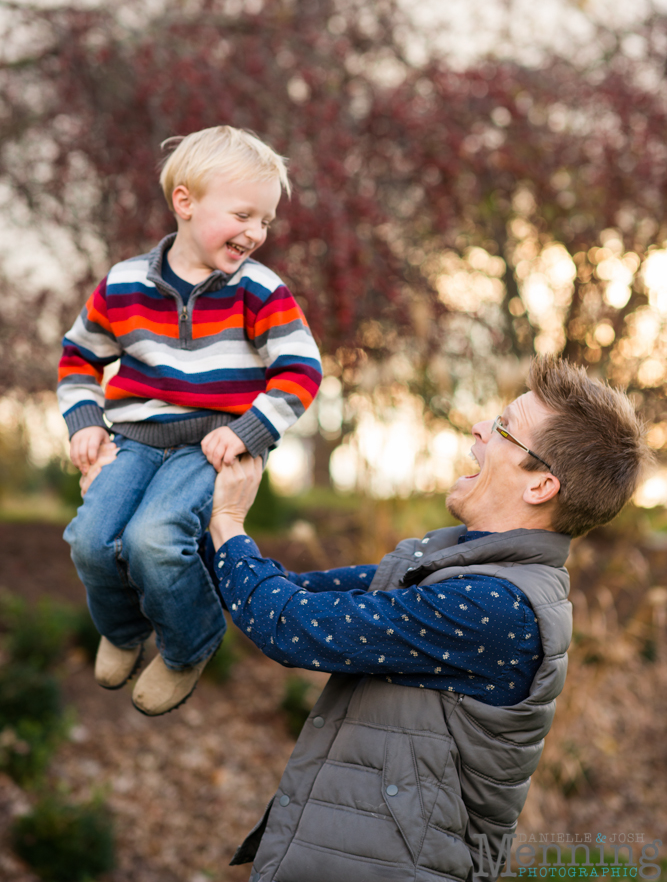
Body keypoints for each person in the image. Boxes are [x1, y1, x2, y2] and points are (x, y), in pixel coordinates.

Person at [204, 357, 648, 881]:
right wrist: (178, 518)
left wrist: (229, 521)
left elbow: (288, 624)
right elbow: (290, 591)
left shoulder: (495, 608)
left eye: (503, 428)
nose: (479, 428)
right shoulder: (445, 564)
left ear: (540, 487)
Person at [58, 126, 322, 716]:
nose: (255, 233)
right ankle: (125, 631)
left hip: (212, 447)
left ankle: (188, 644)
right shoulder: (123, 284)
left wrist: (249, 430)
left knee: (153, 539)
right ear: (185, 201)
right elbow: (78, 357)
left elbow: (301, 370)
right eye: (243, 214)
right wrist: (83, 421)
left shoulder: (260, 290)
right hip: (134, 441)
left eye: (266, 221)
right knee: (92, 540)